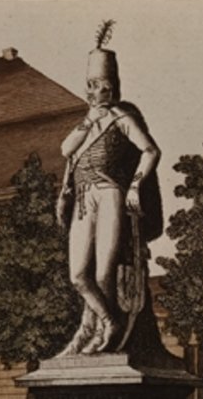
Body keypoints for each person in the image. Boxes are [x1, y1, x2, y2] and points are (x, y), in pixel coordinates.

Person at [56, 22, 163, 356]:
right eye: (89, 85)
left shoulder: (122, 118)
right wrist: (89, 120)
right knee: (77, 275)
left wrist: (134, 187)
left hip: (111, 195)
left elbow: (151, 150)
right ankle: (104, 321)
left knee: (104, 273)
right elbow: (65, 151)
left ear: (111, 87)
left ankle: (101, 332)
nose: (92, 91)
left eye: (98, 85)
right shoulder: (86, 123)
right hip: (84, 199)